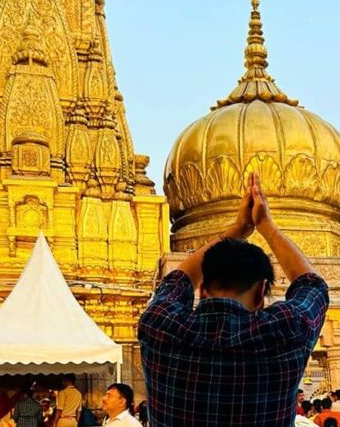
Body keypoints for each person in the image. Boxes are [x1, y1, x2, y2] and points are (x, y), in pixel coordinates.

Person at [138, 174, 329, 427]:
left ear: (202, 289)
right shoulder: (286, 331)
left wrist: (236, 230)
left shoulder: (160, 327)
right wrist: (266, 226)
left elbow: (176, 282)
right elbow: (313, 285)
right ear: (261, 293)